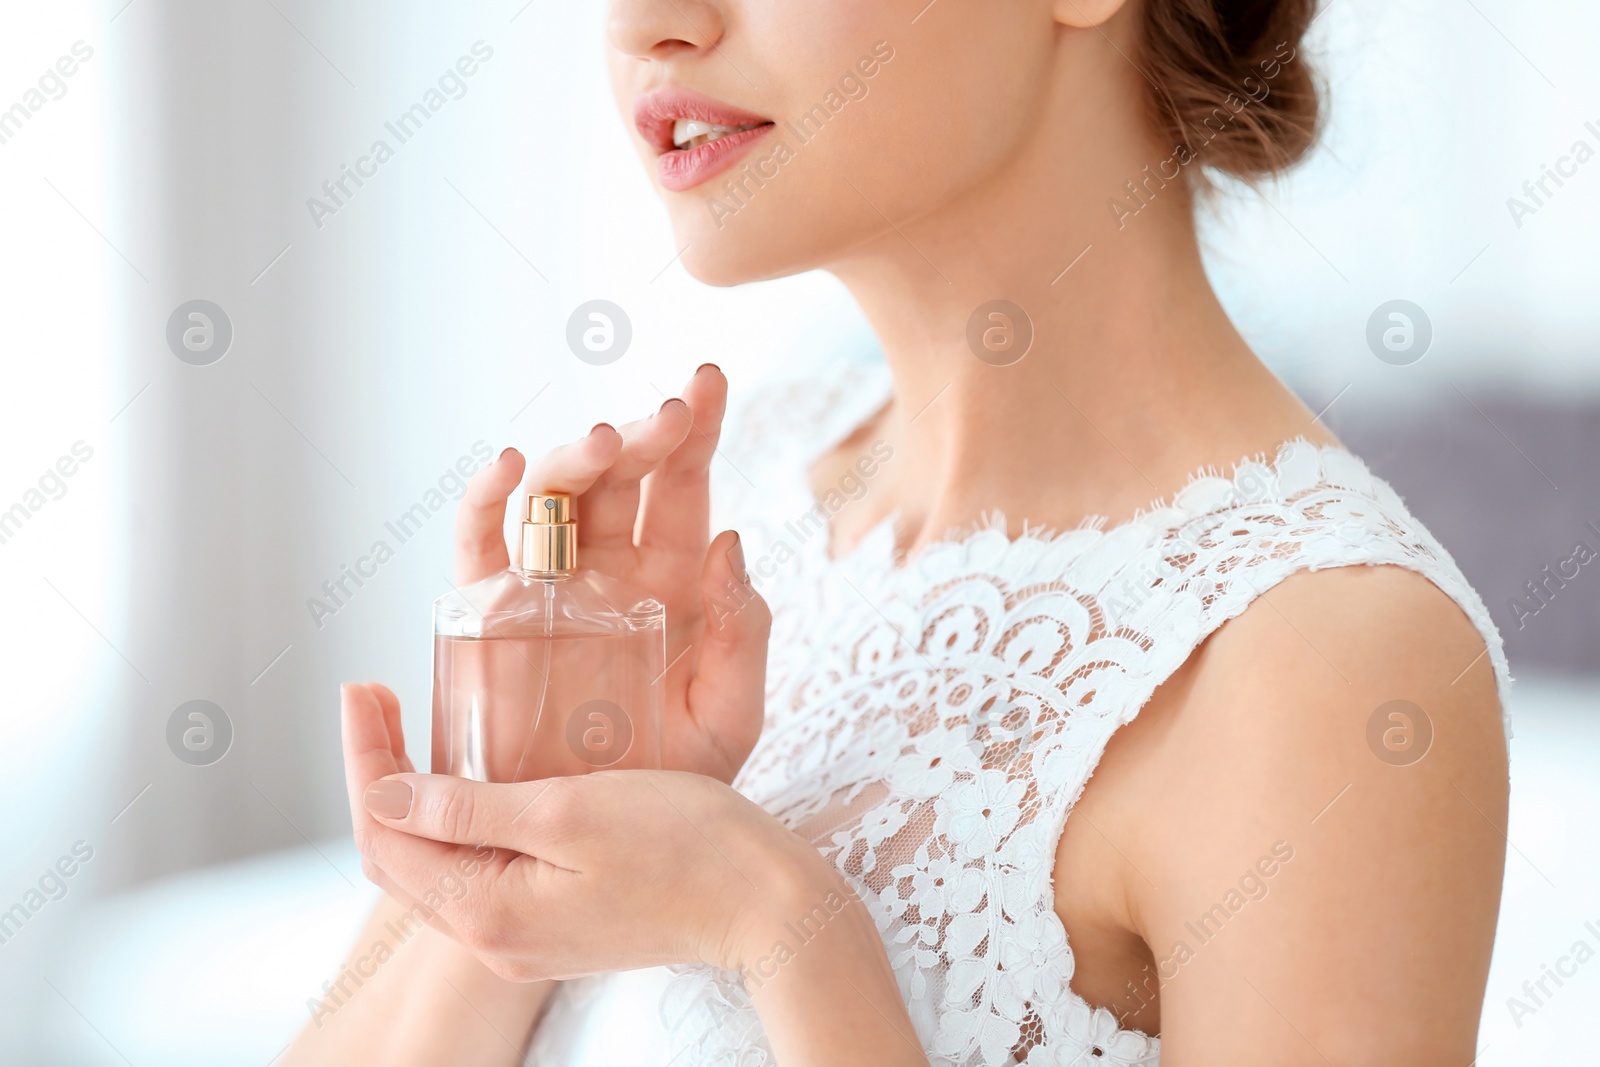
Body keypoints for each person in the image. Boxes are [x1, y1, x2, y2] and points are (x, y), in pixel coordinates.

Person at [287, 0, 1511, 1063]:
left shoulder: (1332, 663)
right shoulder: (731, 497)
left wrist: (778, 924)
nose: (640, 25)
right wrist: (526, 827)